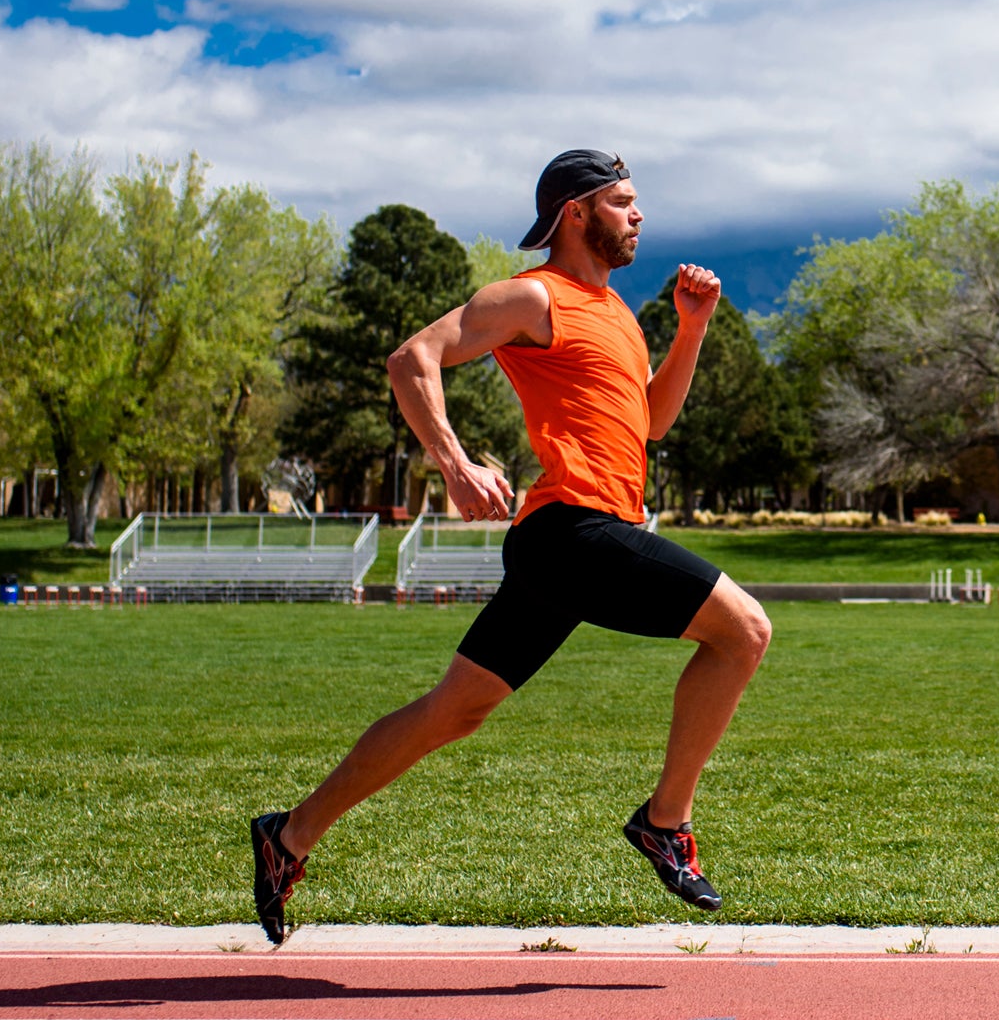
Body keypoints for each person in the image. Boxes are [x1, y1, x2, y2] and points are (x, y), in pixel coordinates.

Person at [247, 149, 772, 945]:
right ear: (576, 212)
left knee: (453, 711)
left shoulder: (621, 316)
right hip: (574, 530)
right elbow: (412, 358)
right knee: (745, 630)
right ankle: (667, 820)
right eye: (624, 202)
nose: (638, 216)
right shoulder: (534, 296)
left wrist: (690, 332)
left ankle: (289, 836)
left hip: (572, 543)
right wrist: (453, 464)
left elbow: (653, 423)